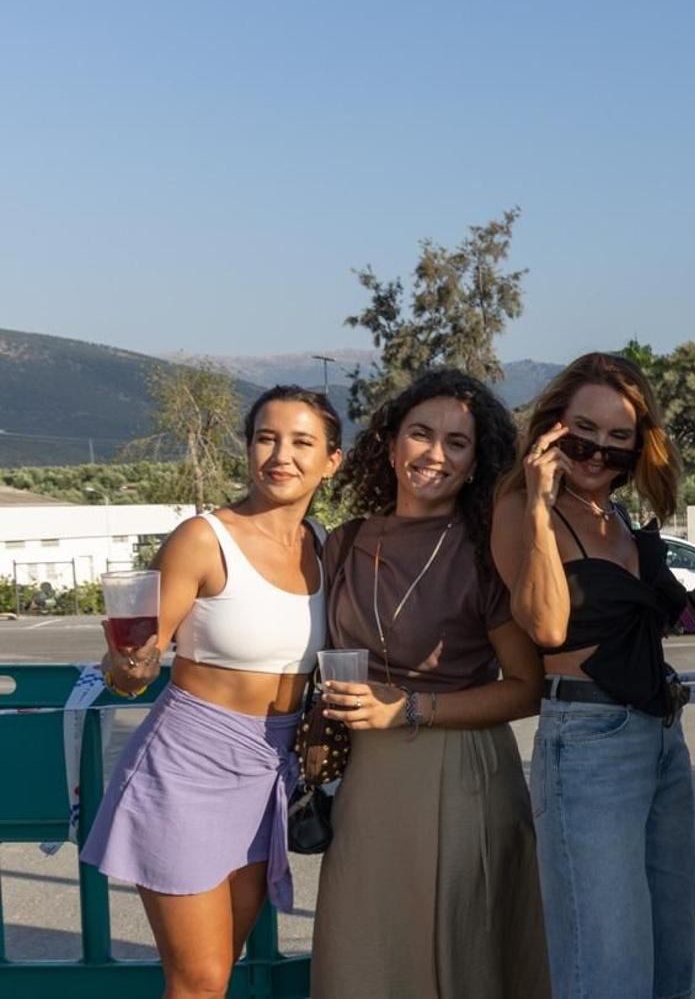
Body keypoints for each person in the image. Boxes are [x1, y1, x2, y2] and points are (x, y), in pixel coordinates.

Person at [81, 386, 341, 999]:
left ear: (332, 461)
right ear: (249, 449)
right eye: (266, 438)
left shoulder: (327, 544)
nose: (282, 455)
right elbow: (130, 670)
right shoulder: (203, 538)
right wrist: (130, 668)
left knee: (220, 967)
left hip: (272, 767)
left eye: (303, 442)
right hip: (188, 765)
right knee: (197, 980)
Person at [310, 369, 550, 999]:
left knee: (458, 958)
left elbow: (526, 687)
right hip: (362, 778)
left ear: (477, 464)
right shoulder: (343, 543)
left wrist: (411, 707)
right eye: (420, 434)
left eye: (457, 443)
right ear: (391, 446)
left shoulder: (485, 550)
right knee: (365, 957)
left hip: (460, 769)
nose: (435, 454)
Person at [491, 352, 695, 999]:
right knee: (607, 973)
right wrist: (541, 500)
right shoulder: (523, 510)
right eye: (583, 432)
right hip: (589, 742)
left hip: (662, 737)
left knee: (668, 966)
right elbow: (547, 626)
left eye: (617, 439)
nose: (597, 452)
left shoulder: (620, 518)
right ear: (552, 427)